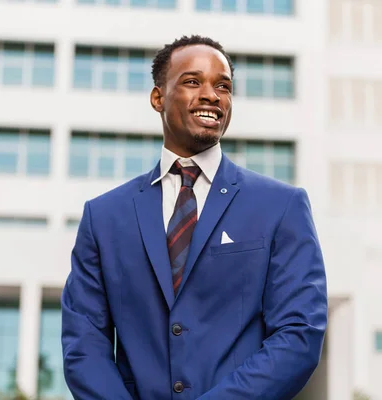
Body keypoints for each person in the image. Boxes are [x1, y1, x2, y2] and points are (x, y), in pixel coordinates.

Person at [61, 35, 328, 399]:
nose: (211, 95)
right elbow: (84, 343)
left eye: (223, 86)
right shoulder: (104, 216)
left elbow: (299, 335)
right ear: (158, 98)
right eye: (192, 81)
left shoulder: (282, 206)